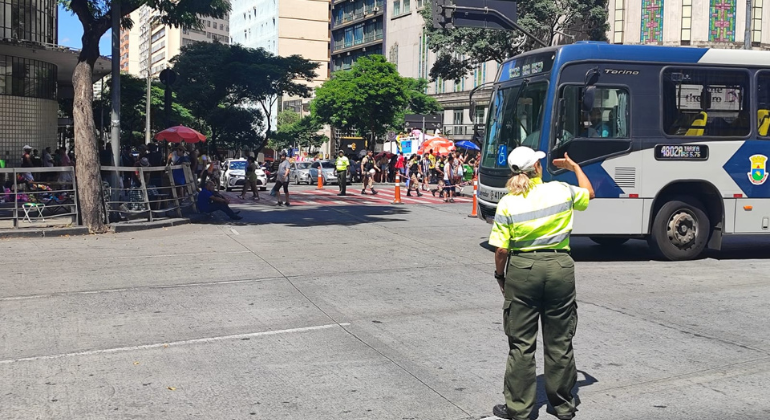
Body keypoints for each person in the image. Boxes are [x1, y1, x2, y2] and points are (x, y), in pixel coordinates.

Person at [488, 147, 594, 420]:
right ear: (537, 168)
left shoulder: (508, 202)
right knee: (560, 341)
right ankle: (562, 406)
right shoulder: (561, 189)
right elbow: (589, 194)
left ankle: (519, 408)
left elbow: (501, 250)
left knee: (521, 344)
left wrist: (501, 276)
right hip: (560, 266)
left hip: (523, 269)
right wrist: (575, 168)